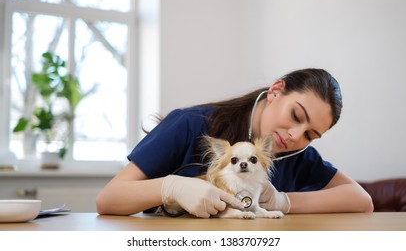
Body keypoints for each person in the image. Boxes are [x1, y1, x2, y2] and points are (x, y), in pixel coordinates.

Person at [96, 68, 374, 217]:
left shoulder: (295, 155)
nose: (295, 136)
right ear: (276, 91)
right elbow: (108, 199)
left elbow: (362, 201)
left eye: (310, 135)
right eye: (296, 115)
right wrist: (171, 187)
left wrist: (283, 202)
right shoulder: (190, 124)